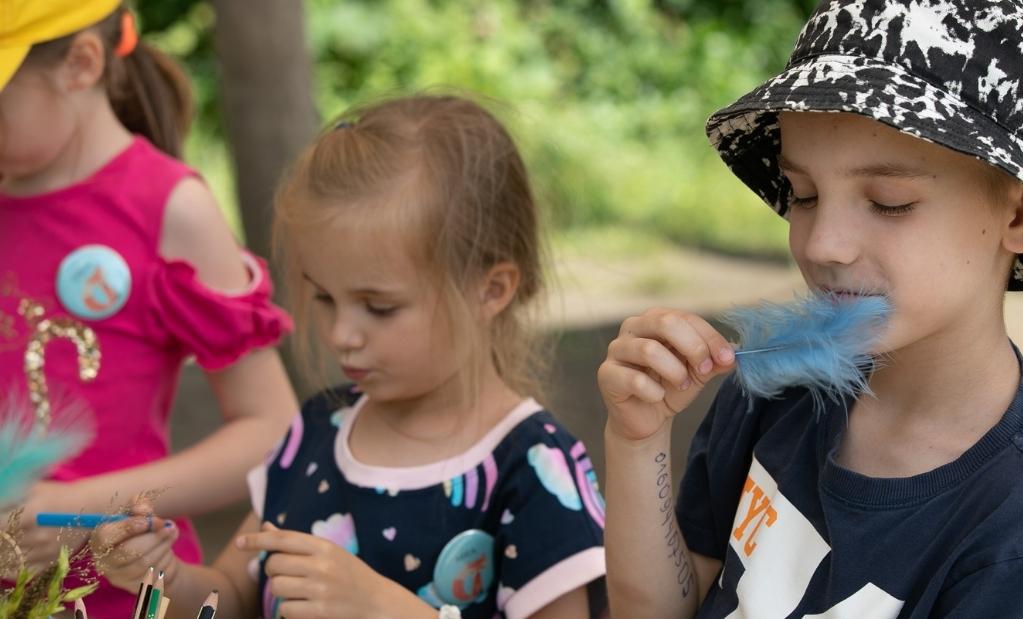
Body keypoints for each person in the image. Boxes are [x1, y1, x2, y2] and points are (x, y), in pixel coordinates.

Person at [598, 0, 1023, 617]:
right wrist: (637, 440)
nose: (820, 244)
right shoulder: (778, 386)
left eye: (888, 202)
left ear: (1018, 215)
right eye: (804, 194)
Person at [94, 94, 608, 619]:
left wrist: (385, 608)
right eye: (323, 297)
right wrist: (162, 578)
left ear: (491, 290)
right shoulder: (317, 431)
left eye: (378, 307)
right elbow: (227, 598)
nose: (342, 334)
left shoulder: (533, 468)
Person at [0, 1, 298, 616]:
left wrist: (79, 511)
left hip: (122, 597)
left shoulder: (170, 207)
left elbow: (270, 430)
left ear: (81, 62)